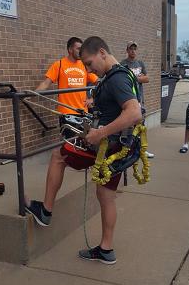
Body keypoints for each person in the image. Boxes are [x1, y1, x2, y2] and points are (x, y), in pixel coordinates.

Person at [76, 36, 142, 264]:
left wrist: (100, 133)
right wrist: (96, 104)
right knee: (106, 197)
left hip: (113, 147)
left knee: (104, 196)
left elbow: (134, 113)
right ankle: (106, 248)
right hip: (117, 146)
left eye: (89, 62)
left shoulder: (117, 78)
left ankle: (106, 249)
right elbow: (118, 106)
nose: (89, 69)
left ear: (102, 52)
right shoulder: (117, 76)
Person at [24, 37, 98, 226]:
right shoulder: (59, 65)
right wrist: (32, 94)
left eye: (82, 49)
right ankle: (47, 208)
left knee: (66, 155)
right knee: (65, 154)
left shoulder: (84, 66)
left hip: (83, 116)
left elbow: (99, 83)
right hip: (66, 116)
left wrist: (92, 99)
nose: (80, 52)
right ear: (69, 49)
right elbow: (46, 84)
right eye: (77, 48)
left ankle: (46, 209)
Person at [120, 41, 155, 159]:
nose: (133, 51)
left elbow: (147, 78)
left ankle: (142, 149)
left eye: (135, 49)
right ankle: (127, 150)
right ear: (127, 50)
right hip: (128, 99)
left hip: (140, 99)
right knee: (128, 125)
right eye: (131, 49)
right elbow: (122, 79)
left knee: (141, 124)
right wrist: (137, 78)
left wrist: (134, 78)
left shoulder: (140, 63)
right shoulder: (123, 64)